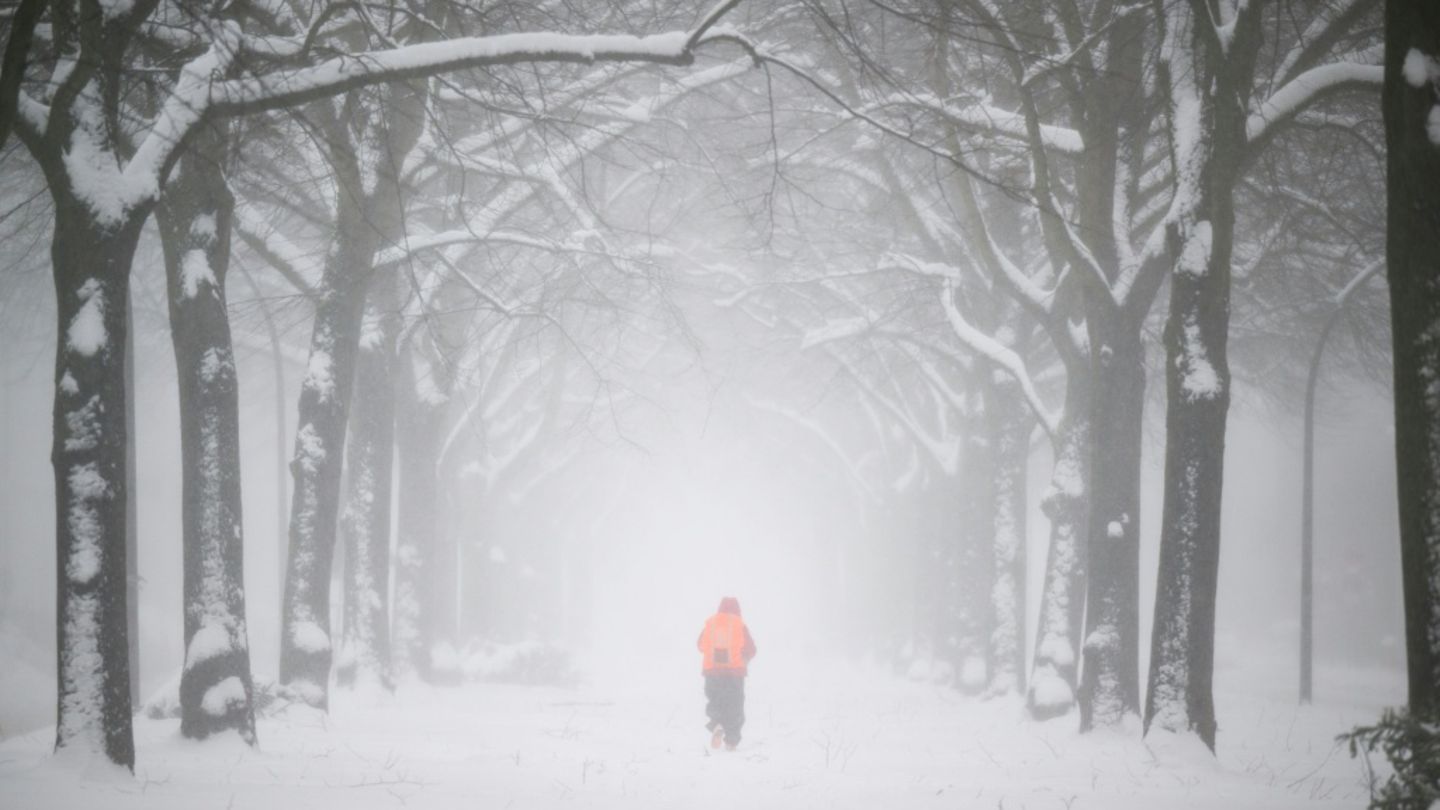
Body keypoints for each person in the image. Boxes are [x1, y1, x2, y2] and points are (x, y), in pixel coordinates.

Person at [697, 596, 756, 751]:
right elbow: (751, 649)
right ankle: (731, 742)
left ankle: (716, 724)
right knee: (734, 707)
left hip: (712, 673)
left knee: (715, 701)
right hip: (734, 674)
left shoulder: (710, 623)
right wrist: (744, 658)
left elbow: (700, 645)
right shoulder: (739, 624)